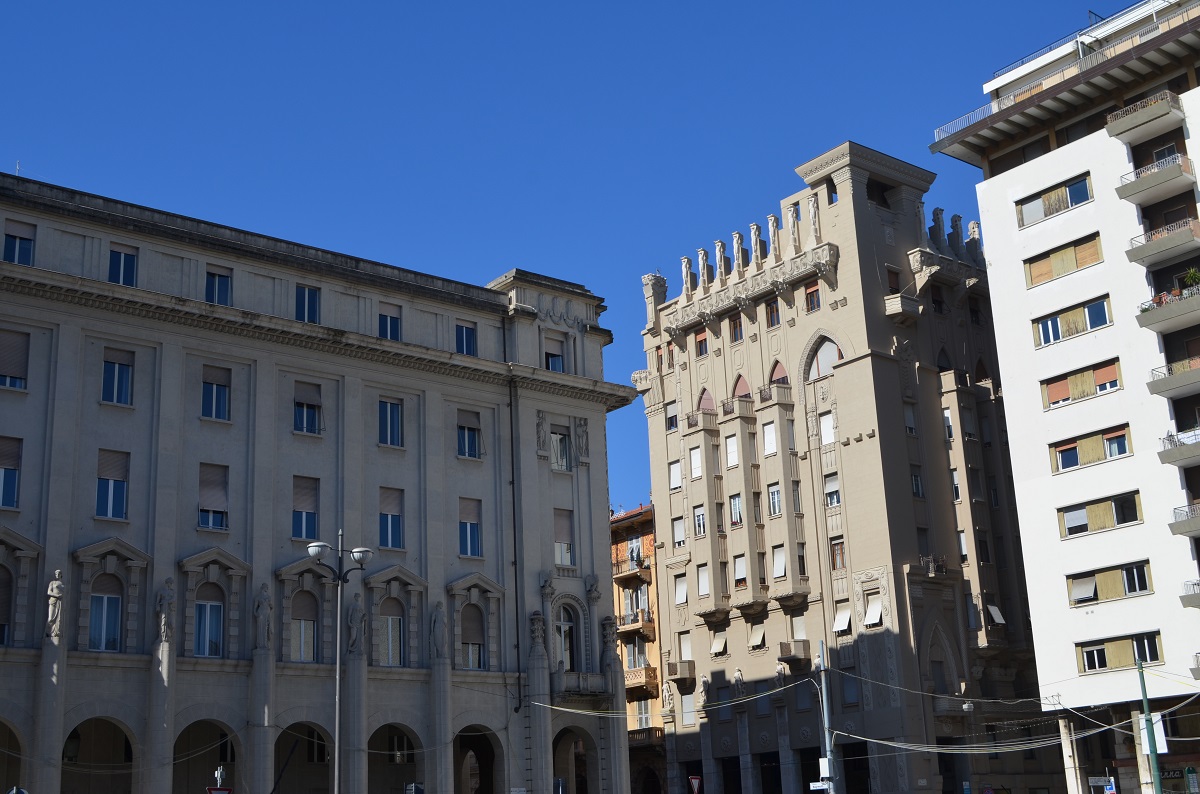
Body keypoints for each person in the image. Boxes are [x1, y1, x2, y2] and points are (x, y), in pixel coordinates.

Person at [45, 570, 65, 638]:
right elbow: (49, 592)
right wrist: (56, 596)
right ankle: (48, 632)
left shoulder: (62, 584)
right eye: (56, 573)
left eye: (58, 573)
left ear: (61, 574)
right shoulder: (52, 582)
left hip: (60, 602)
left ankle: (55, 633)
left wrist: (60, 597)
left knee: (59, 619)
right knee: (51, 618)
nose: (57, 574)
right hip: (53, 601)